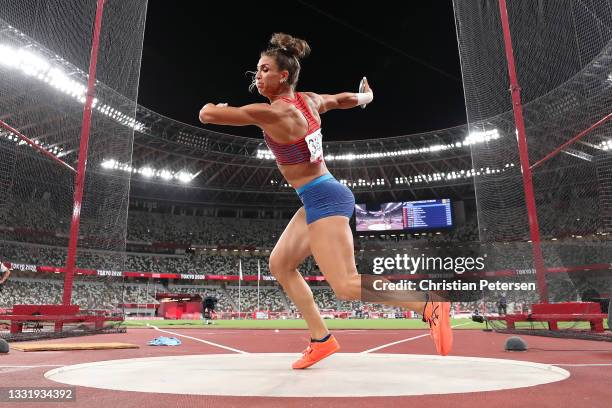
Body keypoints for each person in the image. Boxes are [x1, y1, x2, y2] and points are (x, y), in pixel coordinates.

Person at [199, 33, 452, 369]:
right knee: (280, 264)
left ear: (283, 75)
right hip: (317, 195)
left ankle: (429, 305)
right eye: (257, 71)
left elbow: (206, 116)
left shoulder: (274, 114)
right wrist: (366, 96)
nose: (257, 76)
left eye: (263, 70)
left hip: (326, 197)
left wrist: (214, 106)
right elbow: (342, 99)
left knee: (346, 285)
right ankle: (321, 339)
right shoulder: (310, 100)